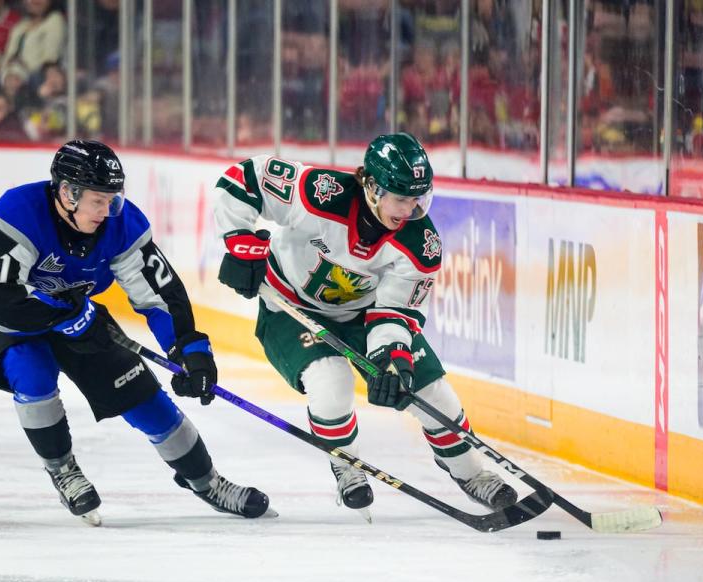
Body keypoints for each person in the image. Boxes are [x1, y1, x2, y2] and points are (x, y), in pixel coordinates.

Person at [0, 139, 271, 525]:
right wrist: (67, 313)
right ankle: (62, 469)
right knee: (33, 369)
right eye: (98, 201)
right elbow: (3, 305)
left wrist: (189, 348)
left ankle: (208, 483)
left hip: (75, 315)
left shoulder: (120, 223)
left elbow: (159, 295)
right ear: (68, 193)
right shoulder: (17, 212)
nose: (108, 211)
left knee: (143, 395)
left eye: (113, 200)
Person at [212, 132, 517, 517]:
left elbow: (396, 309)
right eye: (401, 198)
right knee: (329, 380)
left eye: (417, 199)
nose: (409, 209)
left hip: (363, 314)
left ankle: (471, 473)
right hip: (288, 304)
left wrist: (392, 357)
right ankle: (346, 465)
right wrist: (240, 243)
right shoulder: (321, 194)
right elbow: (245, 179)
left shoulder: (421, 243)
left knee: (432, 392)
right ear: (371, 186)